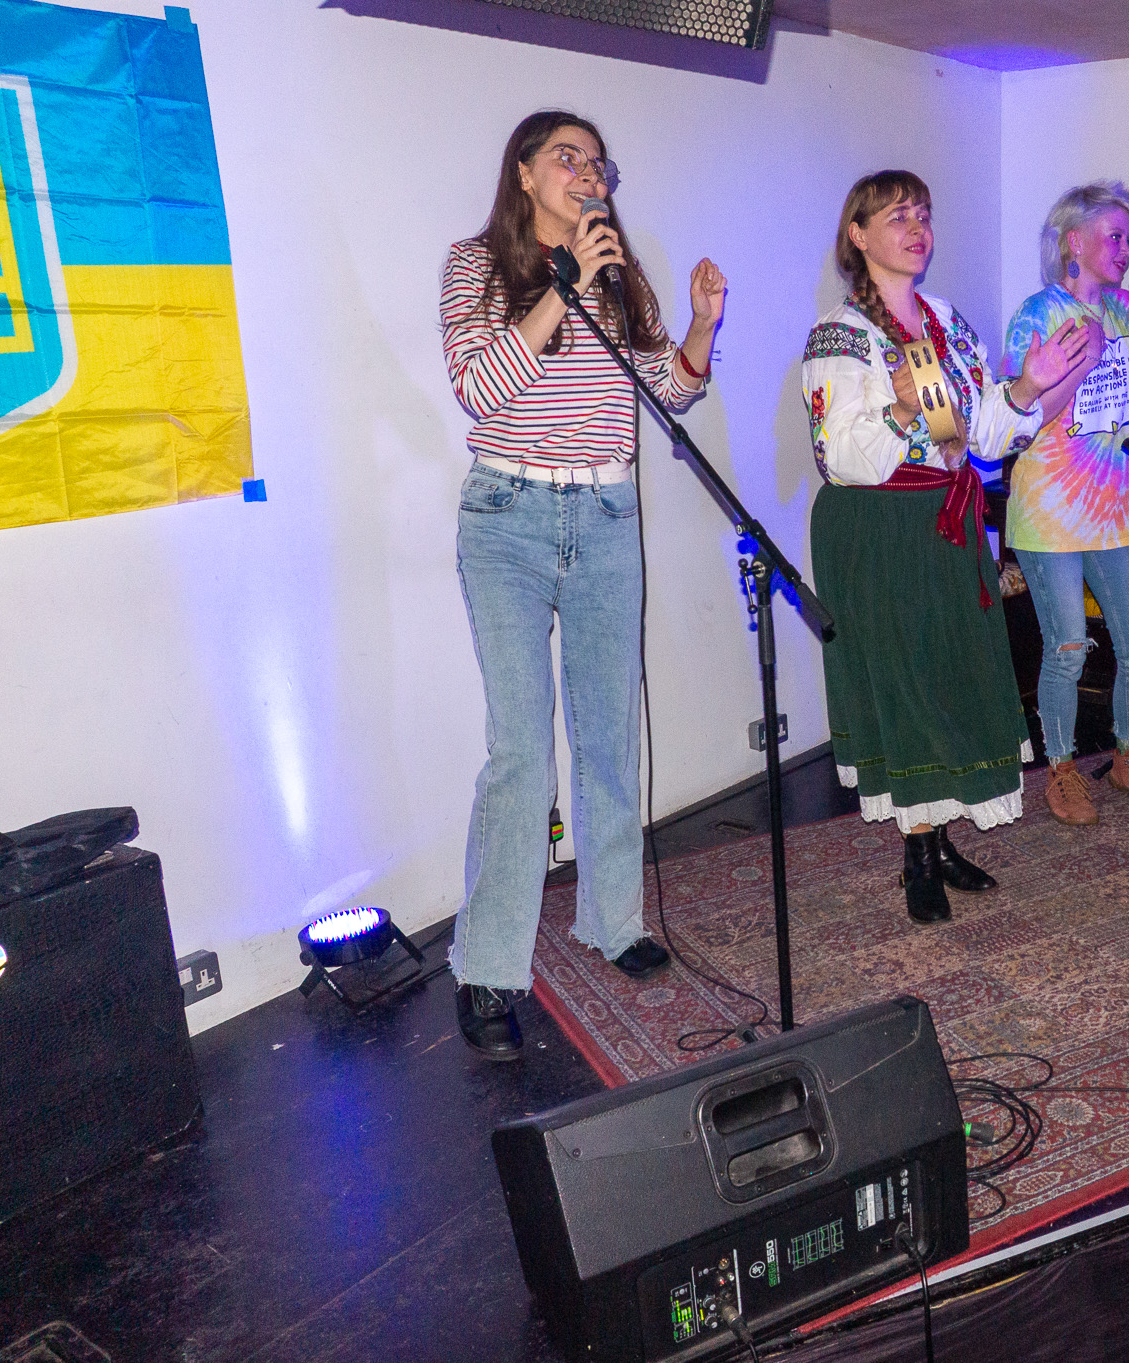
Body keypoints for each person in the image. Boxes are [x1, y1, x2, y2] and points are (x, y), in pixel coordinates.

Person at [439, 110, 725, 1060]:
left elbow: (668, 389)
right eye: (568, 157)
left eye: (599, 161)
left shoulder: (617, 272)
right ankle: (488, 966)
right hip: (508, 519)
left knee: (608, 735)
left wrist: (700, 327)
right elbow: (480, 387)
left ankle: (612, 920)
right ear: (523, 173)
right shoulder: (476, 266)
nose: (589, 173)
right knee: (522, 750)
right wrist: (562, 285)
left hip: (606, 517)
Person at [802, 170, 1086, 924]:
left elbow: (981, 434)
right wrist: (901, 410)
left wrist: (1028, 385)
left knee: (952, 676)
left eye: (923, 215)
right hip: (879, 528)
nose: (916, 228)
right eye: (898, 216)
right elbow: (840, 455)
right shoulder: (841, 336)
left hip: (946, 519)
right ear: (858, 235)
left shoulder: (947, 321)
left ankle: (939, 839)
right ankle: (919, 854)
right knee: (909, 684)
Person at [1002, 181, 1129, 826]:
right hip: (1051, 510)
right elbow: (1020, 417)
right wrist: (1083, 361)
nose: (1126, 249)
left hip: (1119, 507)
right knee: (1068, 648)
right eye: (1115, 235)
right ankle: (1062, 769)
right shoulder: (1037, 314)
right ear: (1074, 242)